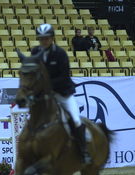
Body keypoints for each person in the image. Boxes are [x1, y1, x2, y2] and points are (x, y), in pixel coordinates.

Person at [30, 23, 92, 164]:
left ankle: (84, 152)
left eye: (46, 38)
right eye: (41, 39)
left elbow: (64, 76)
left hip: (63, 93)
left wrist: (46, 85)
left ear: (52, 38)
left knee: (75, 119)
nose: (43, 41)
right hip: (45, 94)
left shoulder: (60, 53)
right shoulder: (35, 52)